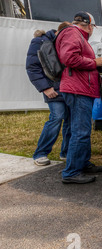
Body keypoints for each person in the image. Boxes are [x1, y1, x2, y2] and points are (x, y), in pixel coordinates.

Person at [55, 11, 102, 184]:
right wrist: (95, 63)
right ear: (89, 25)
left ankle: (82, 163)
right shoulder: (73, 33)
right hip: (78, 90)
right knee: (81, 132)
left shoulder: (76, 35)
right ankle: (71, 172)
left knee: (80, 130)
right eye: (93, 26)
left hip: (78, 88)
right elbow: (69, 58)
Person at [26, 22, 72, 166]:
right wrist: (45, 88)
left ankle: (66, 152)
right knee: (56, 118)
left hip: (68, 88)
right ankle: (40, 153)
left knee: (70, 121)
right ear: (59, 32)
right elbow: (32, 67)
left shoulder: (64, 42)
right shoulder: (39, 41)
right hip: (52, 89)